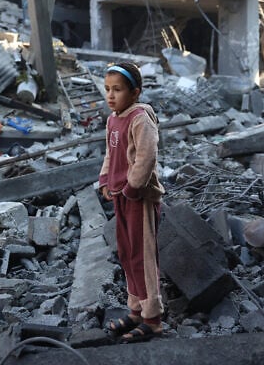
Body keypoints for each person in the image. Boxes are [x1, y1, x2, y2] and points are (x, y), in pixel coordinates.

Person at [98, 62, 165, 342]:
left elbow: (146, 157)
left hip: (138, 197)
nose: (111, 96)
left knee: (143, 256)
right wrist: (105, 181)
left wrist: (132, 188)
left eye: (118, 90)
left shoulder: (140, 118)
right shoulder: (113, 119)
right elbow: (110, 156)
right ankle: (136, 310)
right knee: (127, 254)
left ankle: (153, 318)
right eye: (107, 90)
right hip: (120, 196)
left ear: (135, 92)